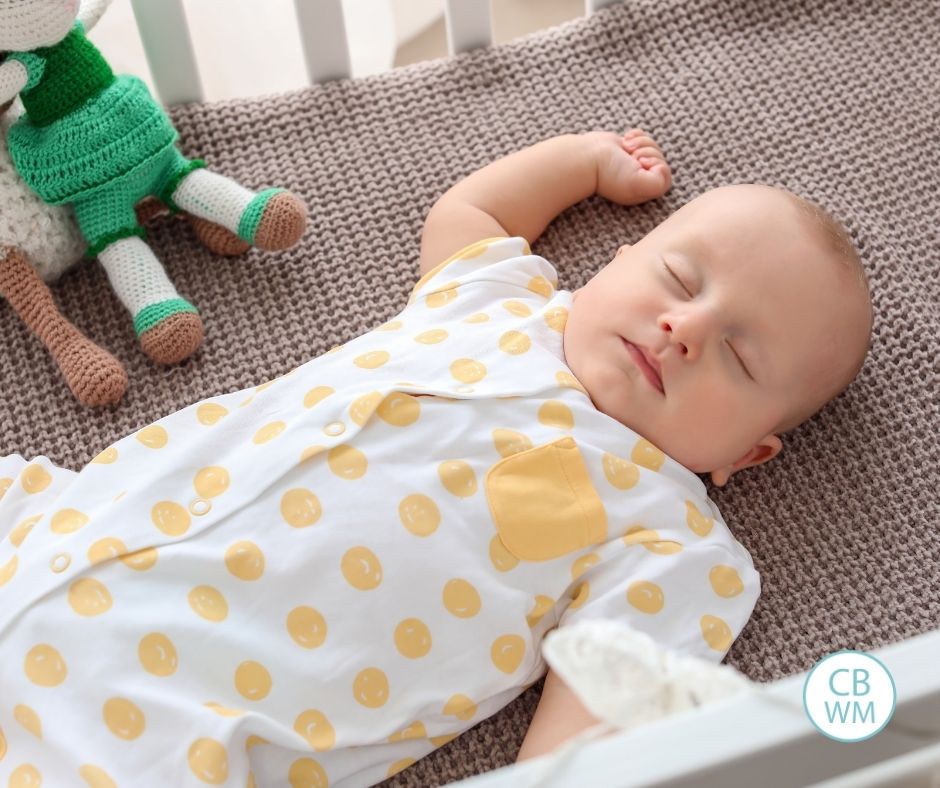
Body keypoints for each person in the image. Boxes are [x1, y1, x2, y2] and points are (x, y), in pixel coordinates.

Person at [0, 129, 872, 786]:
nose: (687, 329)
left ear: (748, 455)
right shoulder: (497, 300)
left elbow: (588, 733)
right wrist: (584, 160)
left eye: (740, 358)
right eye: (679, 281)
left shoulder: (673, 542)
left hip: (155, 729)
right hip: (53, 526)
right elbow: (475, 212)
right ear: (618, 260)